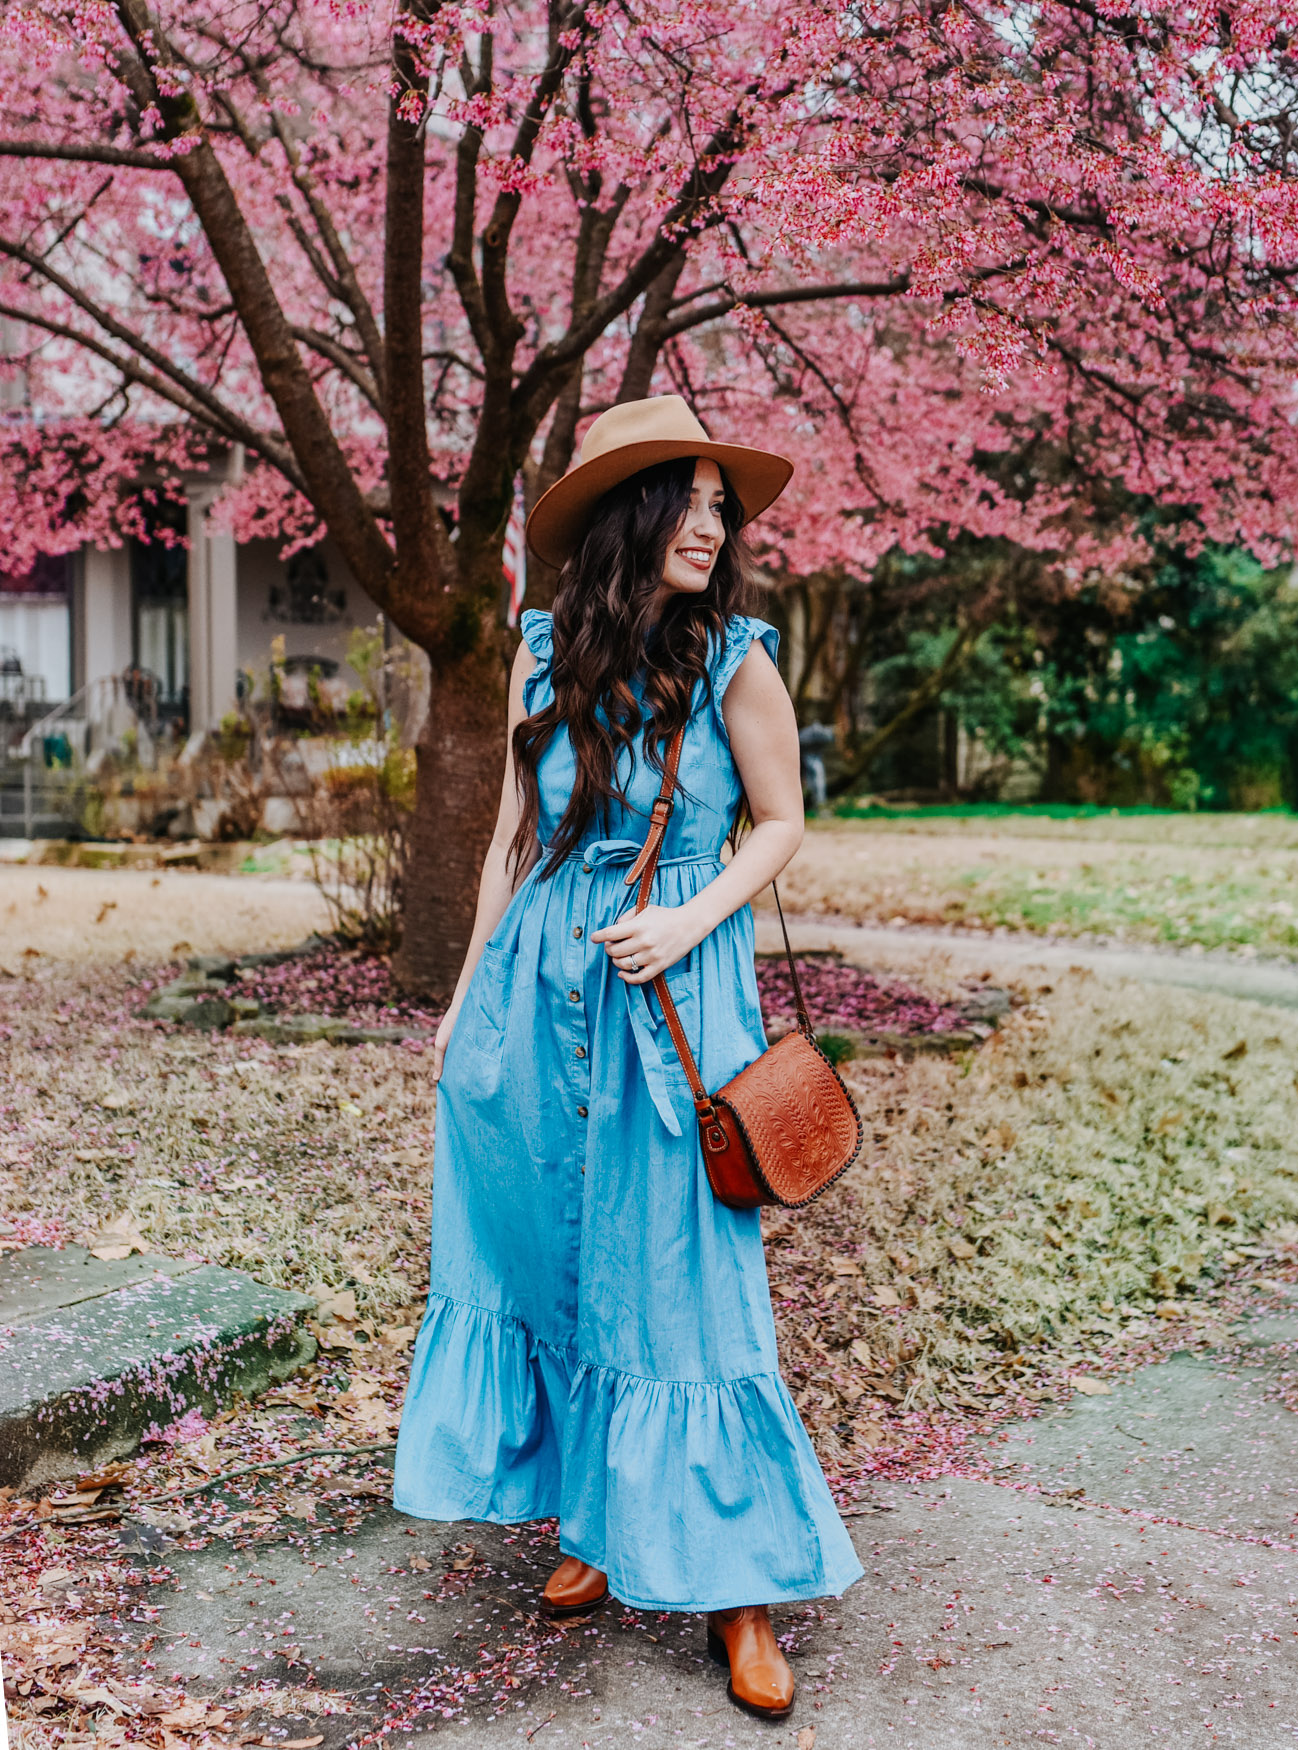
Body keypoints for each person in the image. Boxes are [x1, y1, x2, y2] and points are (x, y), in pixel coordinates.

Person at [393, 396, 863, 1720]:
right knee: (560, 1250)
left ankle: (741, 1588)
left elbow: (782, 822)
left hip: (674, 995)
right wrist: (464, 998)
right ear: (632, 514)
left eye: (727, 504)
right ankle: (596, 1520)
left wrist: (688, 915)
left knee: (690, 1281)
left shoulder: (738, 661)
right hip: (539, 1000)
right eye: (693, 500)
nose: (716, 524)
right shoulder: (543, 654)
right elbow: (506, 844)